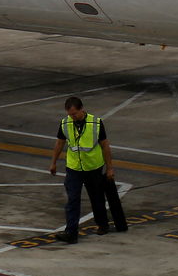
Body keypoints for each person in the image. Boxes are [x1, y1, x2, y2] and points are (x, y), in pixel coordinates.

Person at [47, 96, 127, 242]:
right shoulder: (65, 123)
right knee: (73, 199)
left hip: (93, 167)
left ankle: (103, 224)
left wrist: (110, 168)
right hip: (74, 167)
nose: (72, 117)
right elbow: (60, 143)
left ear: (82, 109)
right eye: (70, 114)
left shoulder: (95, 123)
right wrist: (53, 162)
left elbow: (105, 146)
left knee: (97, 199)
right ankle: (71, 233)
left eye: (75, 114)